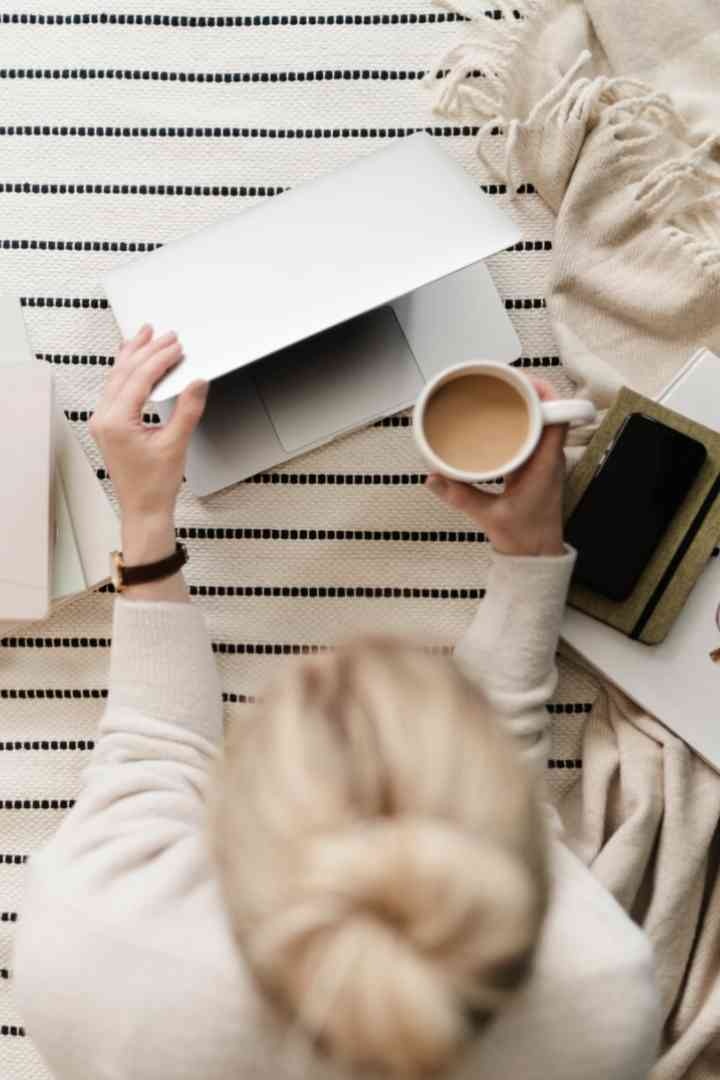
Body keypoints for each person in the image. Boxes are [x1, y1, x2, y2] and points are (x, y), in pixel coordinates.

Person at [14, 327, 661, 1079]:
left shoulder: (97, 947)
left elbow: (152, 752)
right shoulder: (596, 992)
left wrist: (145, 517)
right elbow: (504, 821)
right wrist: (531, 554)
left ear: (233, 823)